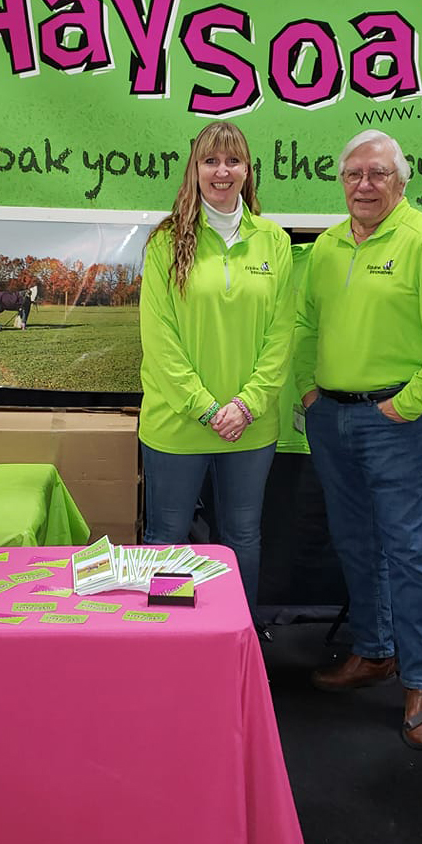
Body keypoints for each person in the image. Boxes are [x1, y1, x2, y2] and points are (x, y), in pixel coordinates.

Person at [292, 129, 422, 749]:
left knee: (409, 551)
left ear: (402, 180)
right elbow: (304, 323)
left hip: (398, 422)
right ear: (342, 182)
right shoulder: (327, 246)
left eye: (377, 174)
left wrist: (410, 402)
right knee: (353, 541)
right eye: (354, 174)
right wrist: (307, 388)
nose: (364, 185)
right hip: (332, 417)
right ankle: (374, 652)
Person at [138, 122, 293, 613]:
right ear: (195, 170)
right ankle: (168, 636)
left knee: (241, 536)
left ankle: (235, 634)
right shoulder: (165, 242)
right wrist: (205, 408)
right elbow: (160, 340)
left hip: (250, 425)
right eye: (210, 161)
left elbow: (281, 335)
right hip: (177, 423)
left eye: (232, 161)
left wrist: (246, 405)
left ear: (247, 171)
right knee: (168, 537)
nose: (221, 171)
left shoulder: (274, 241)